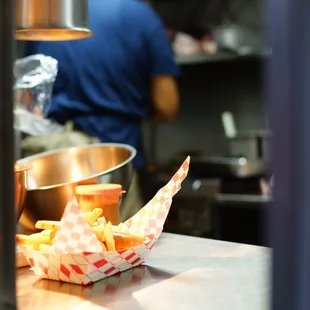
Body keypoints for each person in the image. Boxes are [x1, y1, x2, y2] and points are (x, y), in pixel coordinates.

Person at [24, 0, 180, 221]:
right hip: (113, 167)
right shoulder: (140, 16)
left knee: (51, 248)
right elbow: (167, 105)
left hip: (49, 168)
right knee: (113, 247)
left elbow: (30, 99)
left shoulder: (48, 14)